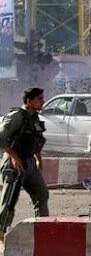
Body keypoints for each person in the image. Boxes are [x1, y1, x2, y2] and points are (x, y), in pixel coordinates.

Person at [0, 87, 49, 242]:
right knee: (9, 202)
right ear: (29, 101)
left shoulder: (34, 117)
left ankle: (42, 232)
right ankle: (1, 232)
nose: (43, 101)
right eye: (39, 99)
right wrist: (14, 157)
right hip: (15, 163)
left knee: (42, 195)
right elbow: (1, 137)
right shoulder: (17, 116)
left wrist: (39, 159)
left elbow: (35, 140)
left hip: (29, 163)